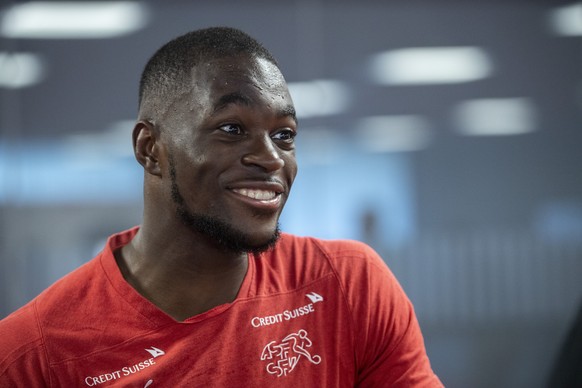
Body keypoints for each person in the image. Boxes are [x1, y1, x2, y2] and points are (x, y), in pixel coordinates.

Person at [0, 27, 442, 387]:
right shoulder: (30, 355)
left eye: (284, 134)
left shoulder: (347, 284)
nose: (271, 158)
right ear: (150, 148)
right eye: (232, 128)